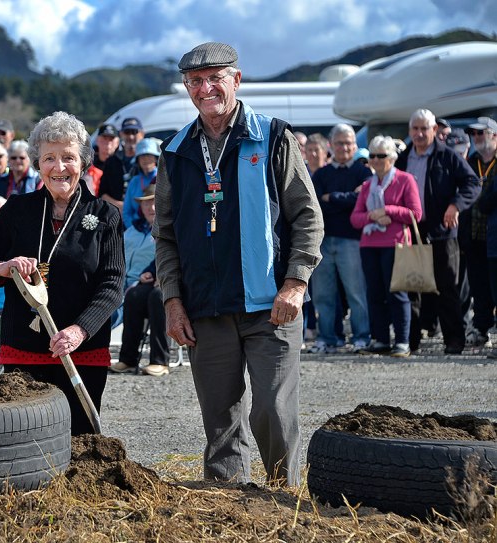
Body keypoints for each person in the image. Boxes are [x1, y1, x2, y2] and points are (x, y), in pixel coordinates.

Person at [155, 42, 323, 486]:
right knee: (220, 421)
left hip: (271, 306)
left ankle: (284, 499)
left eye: (216, 78)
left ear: (237, 80)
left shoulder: (273, 136)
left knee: (272, 409)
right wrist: (172, 301)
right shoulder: (175, 151)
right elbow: (166, 236)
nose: (205, 88)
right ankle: (228, 505)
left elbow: (308, 216)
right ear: (187, 88)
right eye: (195, 81)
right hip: (205, 310)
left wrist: (296, 283)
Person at [0, 111, 125, 435]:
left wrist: (78, 331)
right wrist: (3, 268)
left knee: (80, 440)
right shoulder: (17, 210)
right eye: (49, 158)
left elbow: (112, 284)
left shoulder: (105, 215)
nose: (59, 167)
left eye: (68, 157)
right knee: (24, 439)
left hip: (83, 352)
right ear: (37, 163)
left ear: (84, 162)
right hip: (24, 349)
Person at [394, 109, 480, 354]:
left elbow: (472, 183)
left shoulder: (447, 156)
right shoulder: (403, 158)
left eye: (424, 129)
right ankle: (410, 341)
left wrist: (455, 205)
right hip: (411, 232)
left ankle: (454, 340)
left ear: (434, 130)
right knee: (411, 286)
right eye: (415, 129)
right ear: (410, 131)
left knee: (447, 288)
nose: (419, 133)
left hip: (442, 232)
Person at [350, 136, 422, 357]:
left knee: (397, 294)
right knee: (374, 294)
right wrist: (373, 215)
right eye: (372, 155)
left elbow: (416, 214)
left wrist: (388, 210)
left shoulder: (405, 180)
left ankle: (402, 341)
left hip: (396, 245)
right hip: (370, 245)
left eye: (380, 155)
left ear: (392, 157)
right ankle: (380, 339)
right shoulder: (367, 186)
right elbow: (355, 219)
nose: (375, 160)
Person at [309, 123, 371, 353]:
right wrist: (347, 199)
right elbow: (317, 204)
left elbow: (362, 201)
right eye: (339, 143)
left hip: (352, 240)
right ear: (331, 146)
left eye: (348, 143)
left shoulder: (363, 172)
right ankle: (328, 338)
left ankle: (361, 336)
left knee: (356, 292)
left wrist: (332, 197)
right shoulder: (321, 174)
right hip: (324, 241)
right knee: (323, 295)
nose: (344, 147)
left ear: (355, 145)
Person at [111, 184, 170, 376]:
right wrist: (149, 273)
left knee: (158, 296)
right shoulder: (132, 230)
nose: (151, 208)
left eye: (154, 202)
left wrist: (158, 273)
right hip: (138, 281)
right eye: (146, 203)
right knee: (134, 296)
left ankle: (160, 360)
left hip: (170, 280)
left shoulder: (170, 225)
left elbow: (173, 252)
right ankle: (127, 359)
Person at [461, 117, 497, 346]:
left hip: (494, 234)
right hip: (474, 234)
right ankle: (482, 329)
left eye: (480, 133)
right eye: (473, 134)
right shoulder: (470, 162)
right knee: (478, 286)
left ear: (494, 135)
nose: (476, 138)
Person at [99, 117, 144, 211]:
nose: (130, 137)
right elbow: (102, 193)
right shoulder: (111, 161)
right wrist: (119, 206)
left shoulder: (148, 161)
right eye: (127, 132)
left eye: (134, 132)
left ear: (142, 134)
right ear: (121, 134)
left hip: (142, 213)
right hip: (116, 213)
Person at [122, 138, 160, 229]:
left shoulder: (163, 178)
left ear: (156, 158)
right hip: (136, 229)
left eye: (149, 155)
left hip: (160, 229)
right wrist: (134, 229)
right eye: (142, 156)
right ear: (137, 160)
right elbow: (126, 212)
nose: (145, 159)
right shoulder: (134, 181)